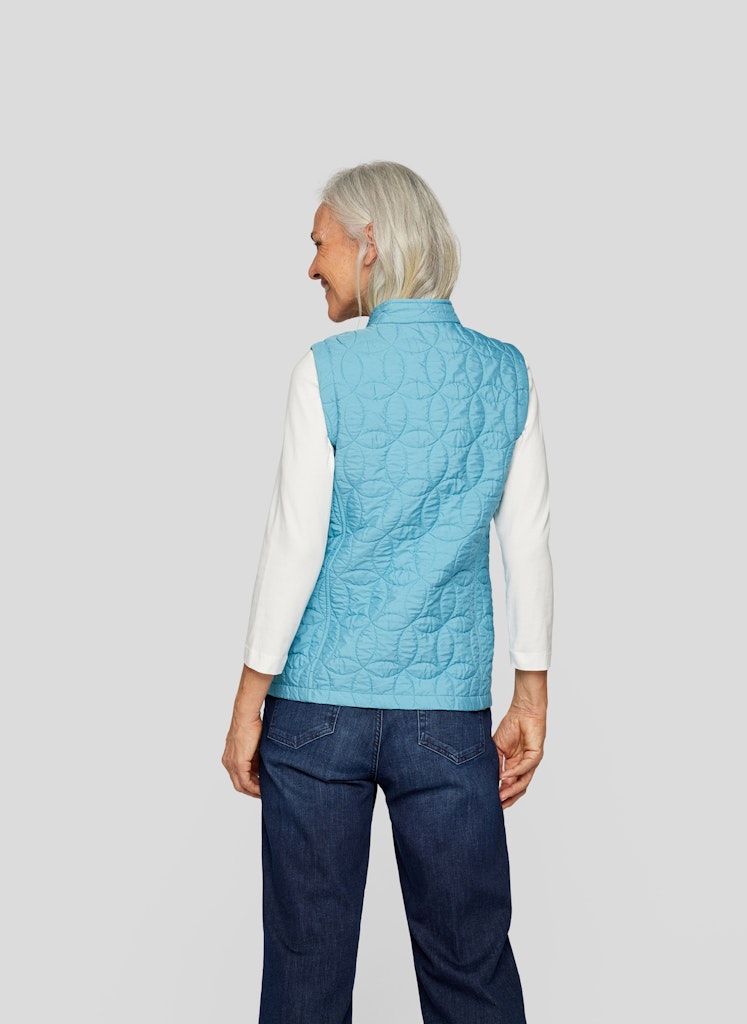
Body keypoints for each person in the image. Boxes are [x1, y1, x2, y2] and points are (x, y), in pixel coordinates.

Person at [222, 161, 553, 1024]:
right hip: (445, 720)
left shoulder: (324, 371)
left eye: (320, 243)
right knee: (470, 968)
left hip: (314, 715)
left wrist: (248, 701)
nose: (311, 266)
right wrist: (530, 693)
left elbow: (293, 545)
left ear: (368, 243)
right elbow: (526, 541)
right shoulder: (505, 373)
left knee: (304, 970)